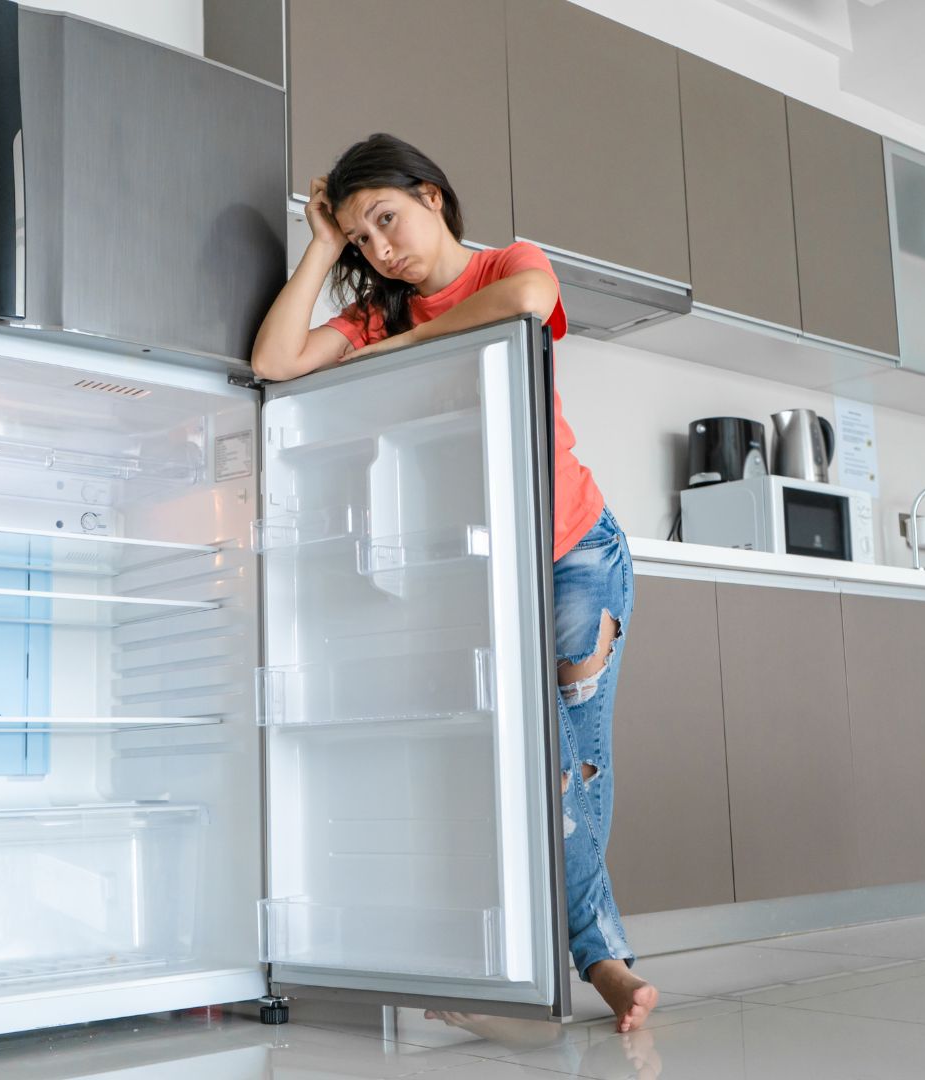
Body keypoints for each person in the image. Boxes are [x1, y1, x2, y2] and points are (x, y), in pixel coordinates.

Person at [250, 133, 655, 1034]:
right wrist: (318, 244)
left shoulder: (504, 261)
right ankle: (516, 967)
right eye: (361, 239)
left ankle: (603, 963)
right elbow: (275, 362)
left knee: (568, 764)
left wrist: (403, 346)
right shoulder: (374, 312)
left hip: (573, 554)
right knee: (476, 765)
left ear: (432, 196)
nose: (379, 249)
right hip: (475, 571)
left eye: (384, 220)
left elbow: (530, 299)